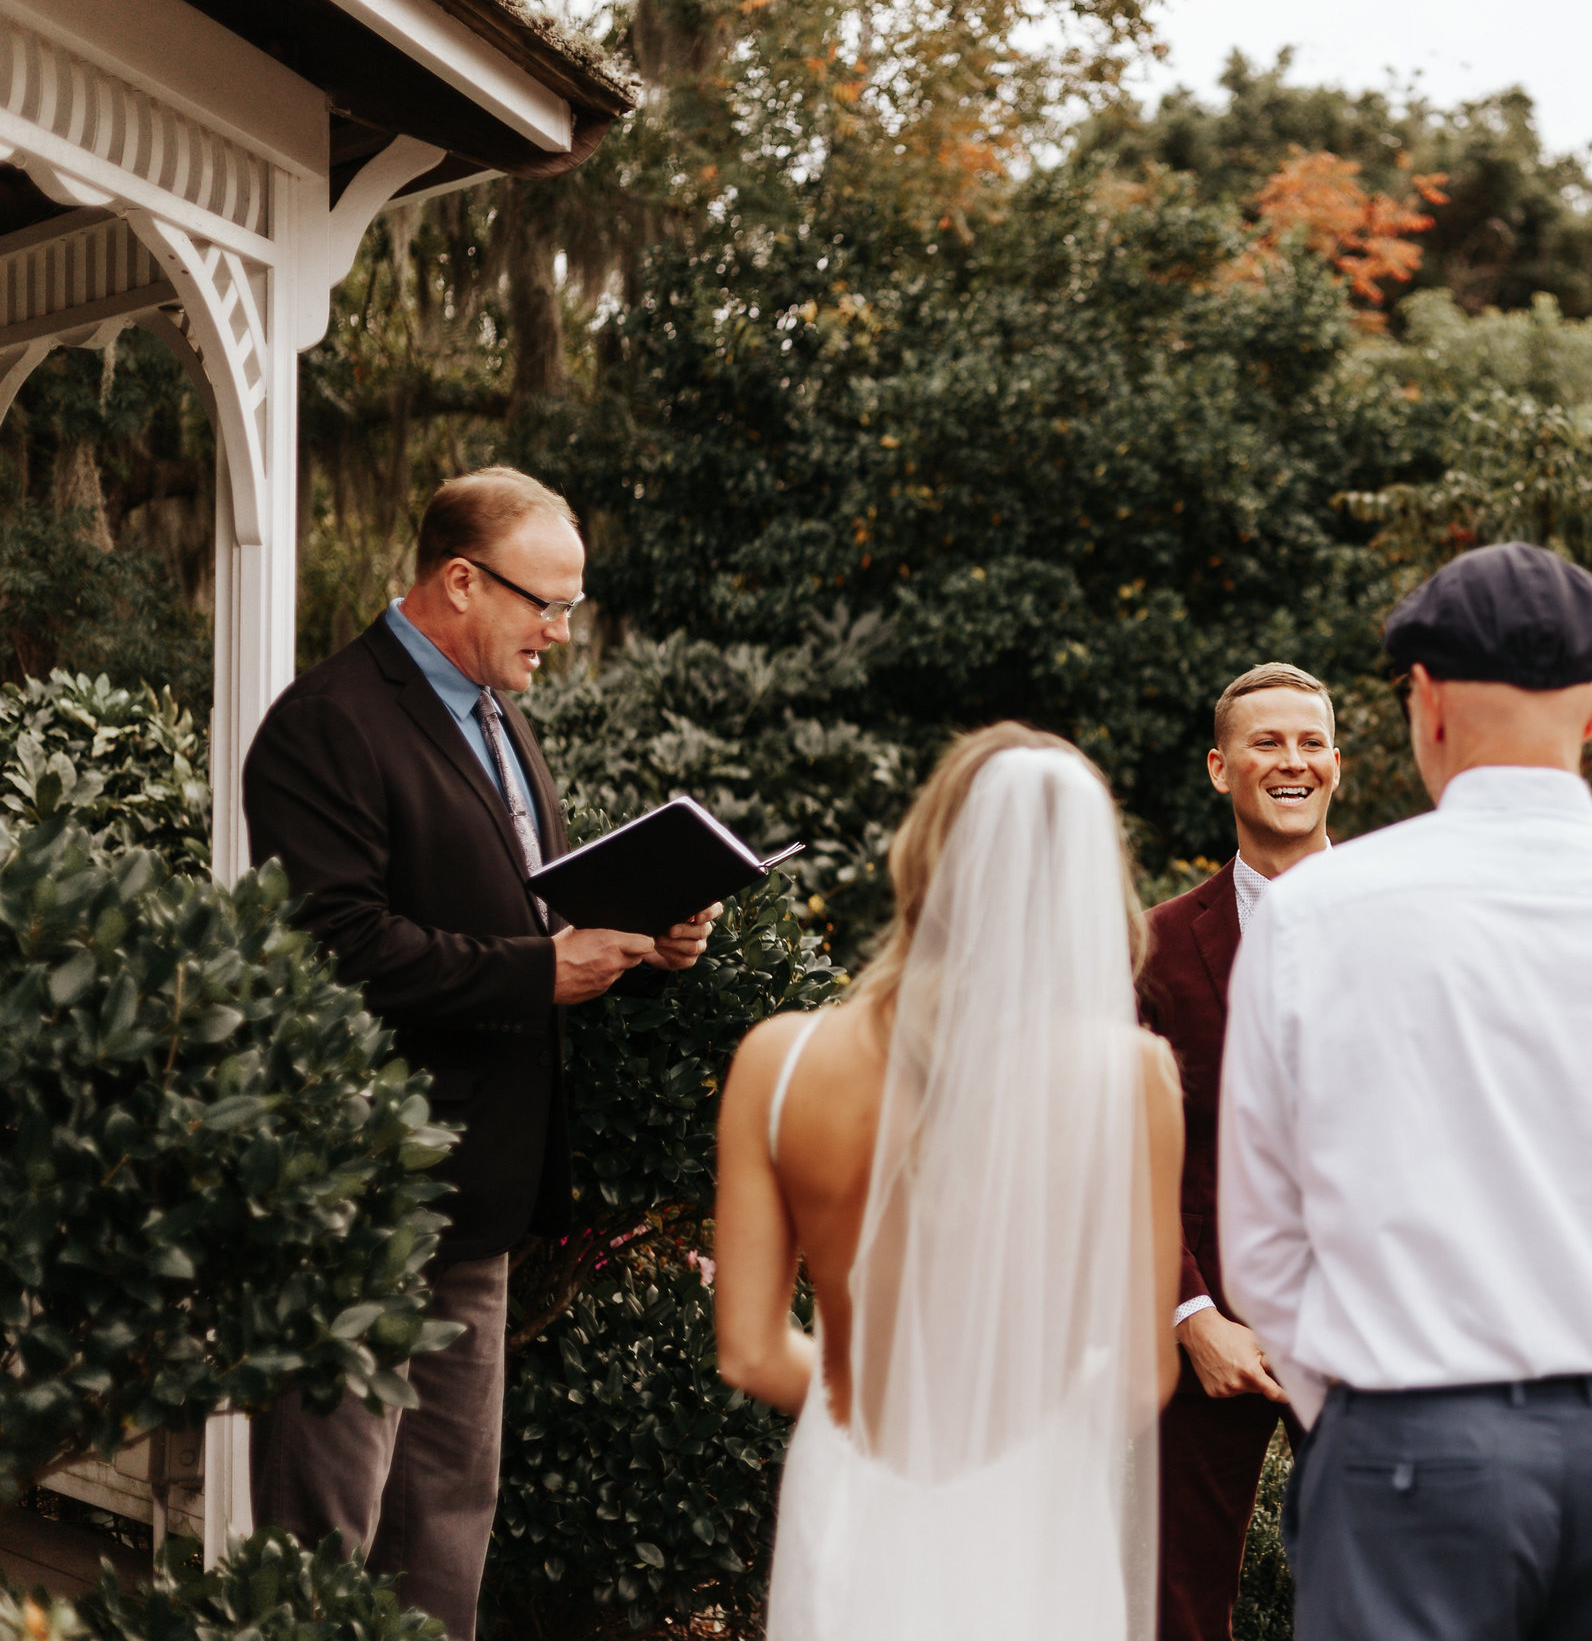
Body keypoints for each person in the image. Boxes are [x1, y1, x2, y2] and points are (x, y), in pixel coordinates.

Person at [1219, 542, 1592, 1641]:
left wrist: (1370, 1406)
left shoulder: (1315, 916)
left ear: (1425, 700)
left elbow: (1263, 1235)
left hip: (1410, 1451)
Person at [241, 466, 721, 1641]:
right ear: (459, 579)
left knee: (449, 1509)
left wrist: (640, 938)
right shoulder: (326, 723)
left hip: (481, 1186)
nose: (560, 631)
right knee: (329, 1524)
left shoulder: (505, 721)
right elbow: (335, 944)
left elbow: (524, 916)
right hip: (358, 1185)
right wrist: (538, 970)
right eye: (542, 603)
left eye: (571, 606)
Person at [712, 723, 1186, 1640]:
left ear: (922, 852)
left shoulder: (778, 1059)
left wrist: (898, 1400)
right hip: (1032, 1500)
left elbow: (750, 1351)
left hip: (854, 1486)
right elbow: (1139, 1376)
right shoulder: (1133, 1078)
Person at [1140, 663, 1337, 1641]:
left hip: (1375, 1326)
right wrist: (1188, 1311)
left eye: (1309, 742)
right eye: (1266, 742)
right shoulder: (1154, 946)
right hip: (1211, 1325)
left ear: (1336, 763)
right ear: (1221, 768)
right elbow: (1121, 1150)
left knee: (1391, 1599)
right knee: (1178, 1602)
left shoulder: (1410, 928)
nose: (1290, 762)